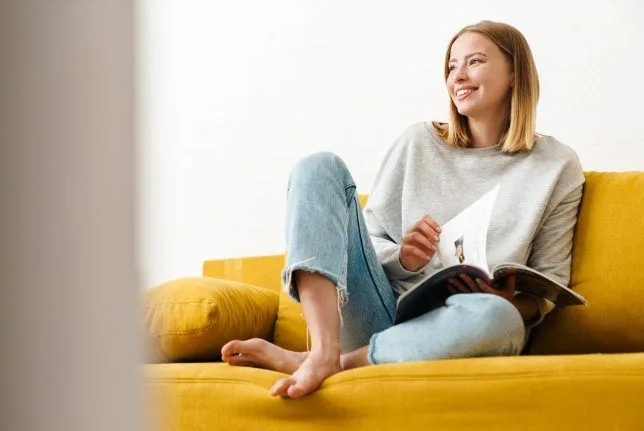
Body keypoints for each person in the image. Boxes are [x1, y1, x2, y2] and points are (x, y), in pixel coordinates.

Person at [221, 20, 585, 399]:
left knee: (499, 318)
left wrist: (513, 303)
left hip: (462, 325)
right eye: (451, 66)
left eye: (474, 62)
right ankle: (325, 350)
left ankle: (324, 363)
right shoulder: (418, 143)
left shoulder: (556, 166)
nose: (458, 75)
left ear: (515, 73)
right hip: (381, 311)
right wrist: (404, 259)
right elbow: (370, 236)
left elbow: (549, 286)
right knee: (317, 167)